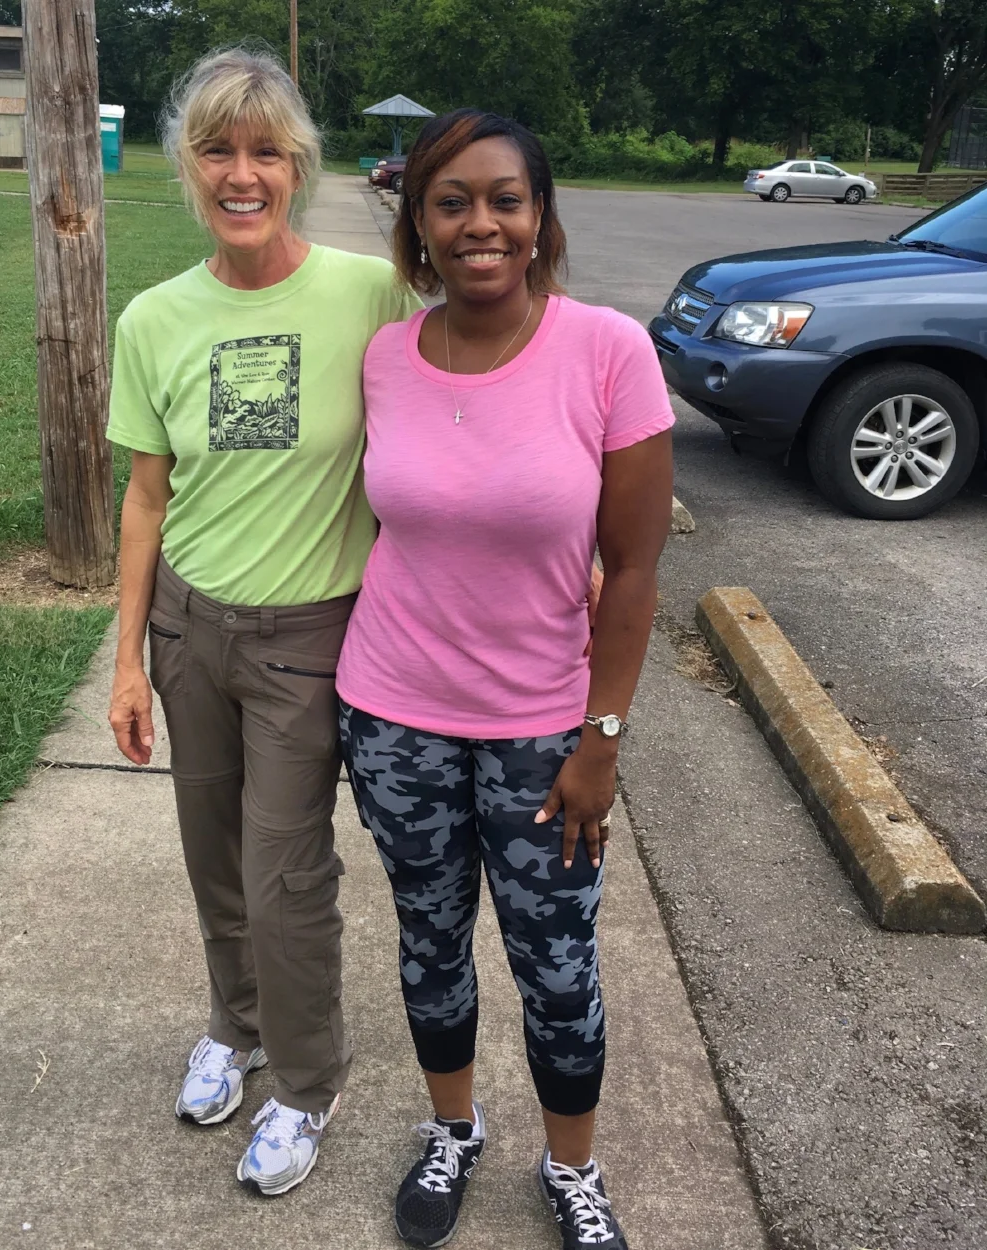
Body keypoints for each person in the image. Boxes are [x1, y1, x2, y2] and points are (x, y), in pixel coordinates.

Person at [337, 109, 675, 1250]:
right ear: (417, 228)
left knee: (557, 966)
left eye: (504, 199)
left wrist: (603, 740)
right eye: (450, 203)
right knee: (428, 941)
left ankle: (571, 1168)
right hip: (391, 717)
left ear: (539, 219)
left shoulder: (607, 351)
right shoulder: (385, 357)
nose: (480, 223)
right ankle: (453, 1129)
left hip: (544, 735)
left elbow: (630, 571)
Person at [104, 46, 420, 1197]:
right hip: (191, 629)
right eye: (218, 150)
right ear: (187, 166)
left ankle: (304, 1077)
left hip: (308, 640)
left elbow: (467, 383)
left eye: (266, 153)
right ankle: (233, 1026)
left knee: (285, 868)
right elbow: (147, 496)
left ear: (299, 167)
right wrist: (131, 660)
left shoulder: (368, 291)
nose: (242, 174)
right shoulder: (154, 317)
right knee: (210, 852)